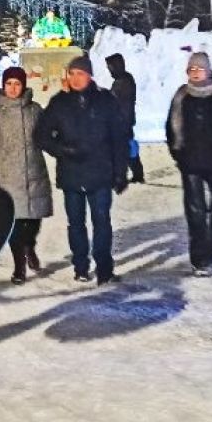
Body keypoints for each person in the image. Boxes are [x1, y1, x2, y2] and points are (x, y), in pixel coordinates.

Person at [37, 55, 128, 285]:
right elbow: (41, 135)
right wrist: (62, 149)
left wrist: (120, 171)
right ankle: (80, 266)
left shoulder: (105, 100)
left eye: (81, 74)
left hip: (100, 173)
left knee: (101, 221)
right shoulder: (59, 102)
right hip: (72, 173)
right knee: (76, 223)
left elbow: (119, 138)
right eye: (72, 73)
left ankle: (104, 269)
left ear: (89, 75)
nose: (76, 79)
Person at [166, 52, 212, 277]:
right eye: (192, 69)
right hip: (191, 165)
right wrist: (178, 153)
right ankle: (199, 259)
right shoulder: (181, 97)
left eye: (199, 68)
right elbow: (171, 128)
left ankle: (209, 247)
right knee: (196, 213)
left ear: (208, 71)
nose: (196, 72)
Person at [0, 65, 53, 283]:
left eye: (17, 84)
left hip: (34, 173)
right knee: (15, 226)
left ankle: (31, 246)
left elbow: (48, 135)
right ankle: (19, 266)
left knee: (34, 220)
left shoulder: (35, 110)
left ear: (23, 85)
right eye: (9, 84)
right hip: (6, 177)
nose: (12, 88)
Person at [104, 51, 144, 185]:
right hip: (123, 121)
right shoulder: (123, 80)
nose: (109, 70)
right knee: (127, 148)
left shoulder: (123, 82)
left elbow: (118, 102)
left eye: (110, 67)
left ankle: (129, 174)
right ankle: (136, 173)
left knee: (124, 149)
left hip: (122, 122)